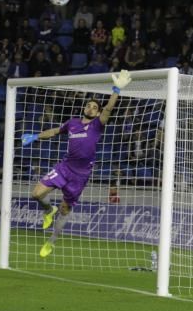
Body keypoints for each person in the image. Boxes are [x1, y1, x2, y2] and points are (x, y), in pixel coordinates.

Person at [22, 70, 129, 258]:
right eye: (88, 105)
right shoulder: (72, 123)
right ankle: (48, 209)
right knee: (36, 193)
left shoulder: (97, 125)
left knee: (65, 209)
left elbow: (108, 110)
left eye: (94, 107)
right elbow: (55, 131)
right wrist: (35, 136)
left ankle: (51, 242)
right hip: (64, 167)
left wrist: (116, 90)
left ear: (96, 112)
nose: (90, 108)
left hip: (80, 176)